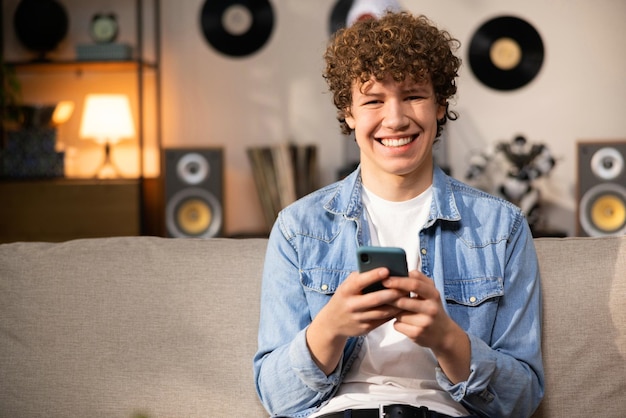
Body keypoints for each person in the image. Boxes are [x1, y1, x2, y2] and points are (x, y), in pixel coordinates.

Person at [253, 11, 544, 418]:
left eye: (413, 95)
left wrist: (447, 339)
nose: (395, 118)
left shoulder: (503, 227)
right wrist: (329, 327)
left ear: (440, 105)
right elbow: (277, 398)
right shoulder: (297, 227)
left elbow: (522, 400)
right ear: (349, 113)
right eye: (373, 100)